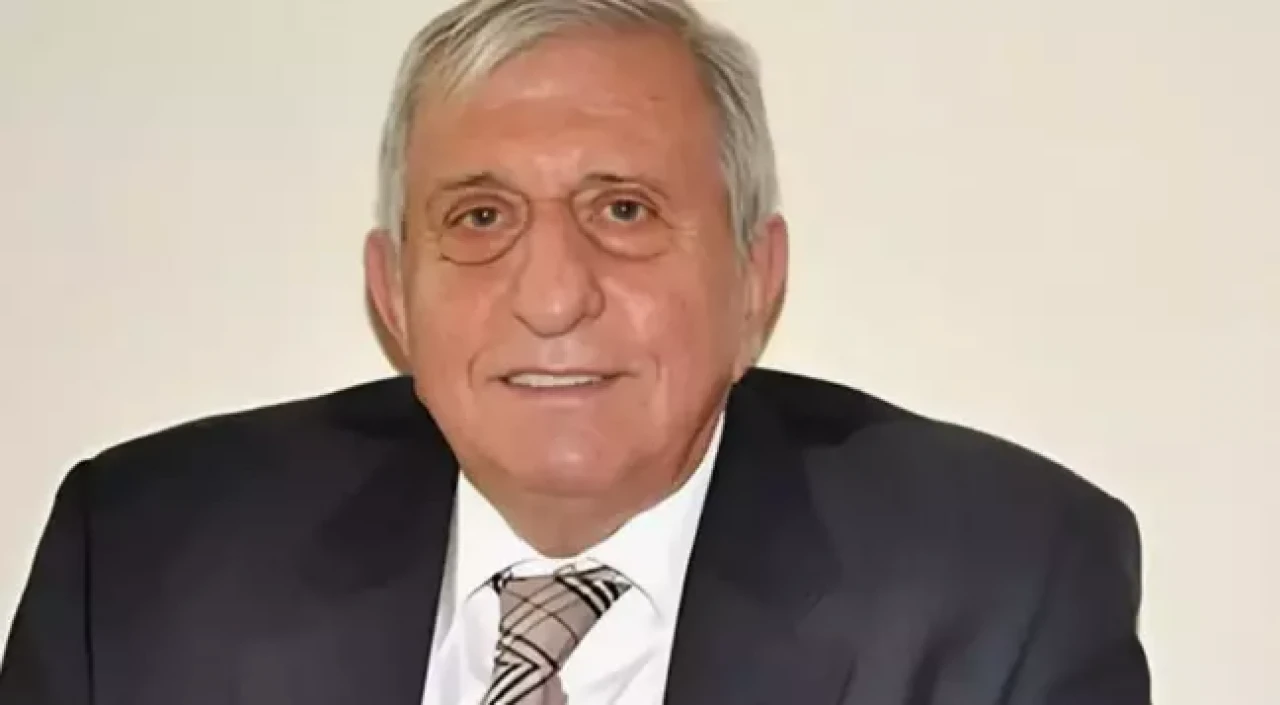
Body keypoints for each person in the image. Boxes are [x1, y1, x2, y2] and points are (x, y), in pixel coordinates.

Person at [0, 1, 1151, 703]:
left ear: (754, 281)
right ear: (392, 294)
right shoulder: (142, 562)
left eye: (624, 210)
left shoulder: (995, 585)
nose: (551, 297)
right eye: (479, 216)